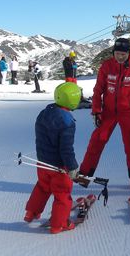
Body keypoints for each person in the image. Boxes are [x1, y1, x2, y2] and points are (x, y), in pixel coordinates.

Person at [79, 38, 130, 185]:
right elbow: (98, 90)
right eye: (117, 54)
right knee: (96, 141)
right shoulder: (106, 66)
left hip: (128, 112)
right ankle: (84, 176)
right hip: (108, 112)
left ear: (128, 53)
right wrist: (96, 111)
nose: (120, 57)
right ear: (113, 52)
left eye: (123, 54)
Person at [23, 82, 81, 234]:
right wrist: (72, 167)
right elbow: (66, 149)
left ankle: (31, 213)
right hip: (58, 167)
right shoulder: (67, 122)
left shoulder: (44, 113)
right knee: (62, 193)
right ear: (73, 100)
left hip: (42, 163)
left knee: (42, 187)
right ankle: (59, 224)